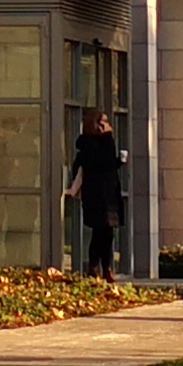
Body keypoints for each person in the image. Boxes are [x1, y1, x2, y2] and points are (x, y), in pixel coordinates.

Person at [67, 109, 128, 281]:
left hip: (107, 193)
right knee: (101, 232)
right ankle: (97, 267)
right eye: (104, 122)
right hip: (97, 194)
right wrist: (108, 139)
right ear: (97, 124)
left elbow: (108, 165)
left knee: (106, 233)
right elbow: (101, 163)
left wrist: (120, 162)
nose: (108, 125)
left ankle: (103, 267)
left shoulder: (98, 143)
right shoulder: (91, 143)